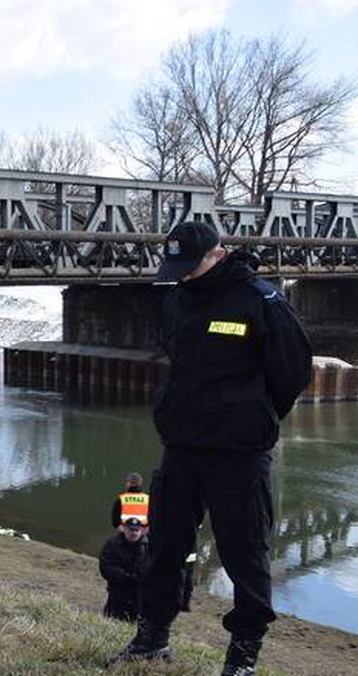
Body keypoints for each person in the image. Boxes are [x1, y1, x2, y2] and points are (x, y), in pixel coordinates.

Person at [110, 221, 312, 676]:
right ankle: (152, 637)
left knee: (245, 553)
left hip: (238, 452)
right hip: (182, 445)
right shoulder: (177, 298)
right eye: (176, 266)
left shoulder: (261, 301)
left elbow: (293, 372)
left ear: (218, 254)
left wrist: (250, 417)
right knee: (165, 545)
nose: (182, 274)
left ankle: (243, 652)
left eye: (191, 265)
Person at [100, 517, 150, 622]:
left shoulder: (148, 547)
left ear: (142, 530)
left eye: (137, 530)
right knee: (111, 620)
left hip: (139, 595)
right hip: (118, 592)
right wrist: (126, 576)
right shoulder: (113, 544)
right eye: (131, 530)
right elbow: (105, 567)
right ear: (124, 529)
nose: (134, 533)